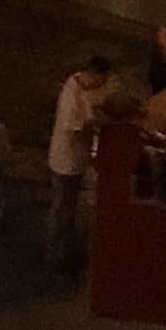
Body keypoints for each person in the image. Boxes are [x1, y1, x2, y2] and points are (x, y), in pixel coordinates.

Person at [44, 54, 114, 276]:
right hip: (66, 161)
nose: (102, 86)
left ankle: (64, 251)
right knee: (61, 209)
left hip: (74, 160)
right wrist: (100, 128)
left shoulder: (77, 82)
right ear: (95, 74)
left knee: (68, 208)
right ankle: (53, 257)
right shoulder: (72, 98)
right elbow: (77, 130)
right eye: (102, 80)